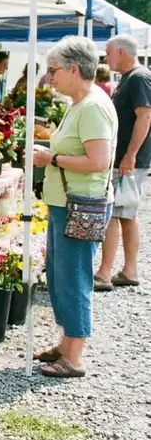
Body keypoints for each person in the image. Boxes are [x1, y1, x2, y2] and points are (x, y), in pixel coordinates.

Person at [30, 36, 118, 379]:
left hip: (80, 204)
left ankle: (75, 355)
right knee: (59, 276)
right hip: (68, 202)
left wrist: (52, 158)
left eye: (54, 70)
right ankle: (67, 343)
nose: (50, 77)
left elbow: (98, 161)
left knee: (73, 278)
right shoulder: (82, 103)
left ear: (75, 69)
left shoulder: (93, 106)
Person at [96, 34, 151, 290]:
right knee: (126, 215)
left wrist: (129, 155)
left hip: (129, 161)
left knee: (114, 214)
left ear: (121, 52)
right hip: (127, 159)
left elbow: (145, 117)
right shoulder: (131, 78)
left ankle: (104, 273)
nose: (106, 58)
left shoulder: (139, 77)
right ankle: (129, 270)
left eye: (108, 52)